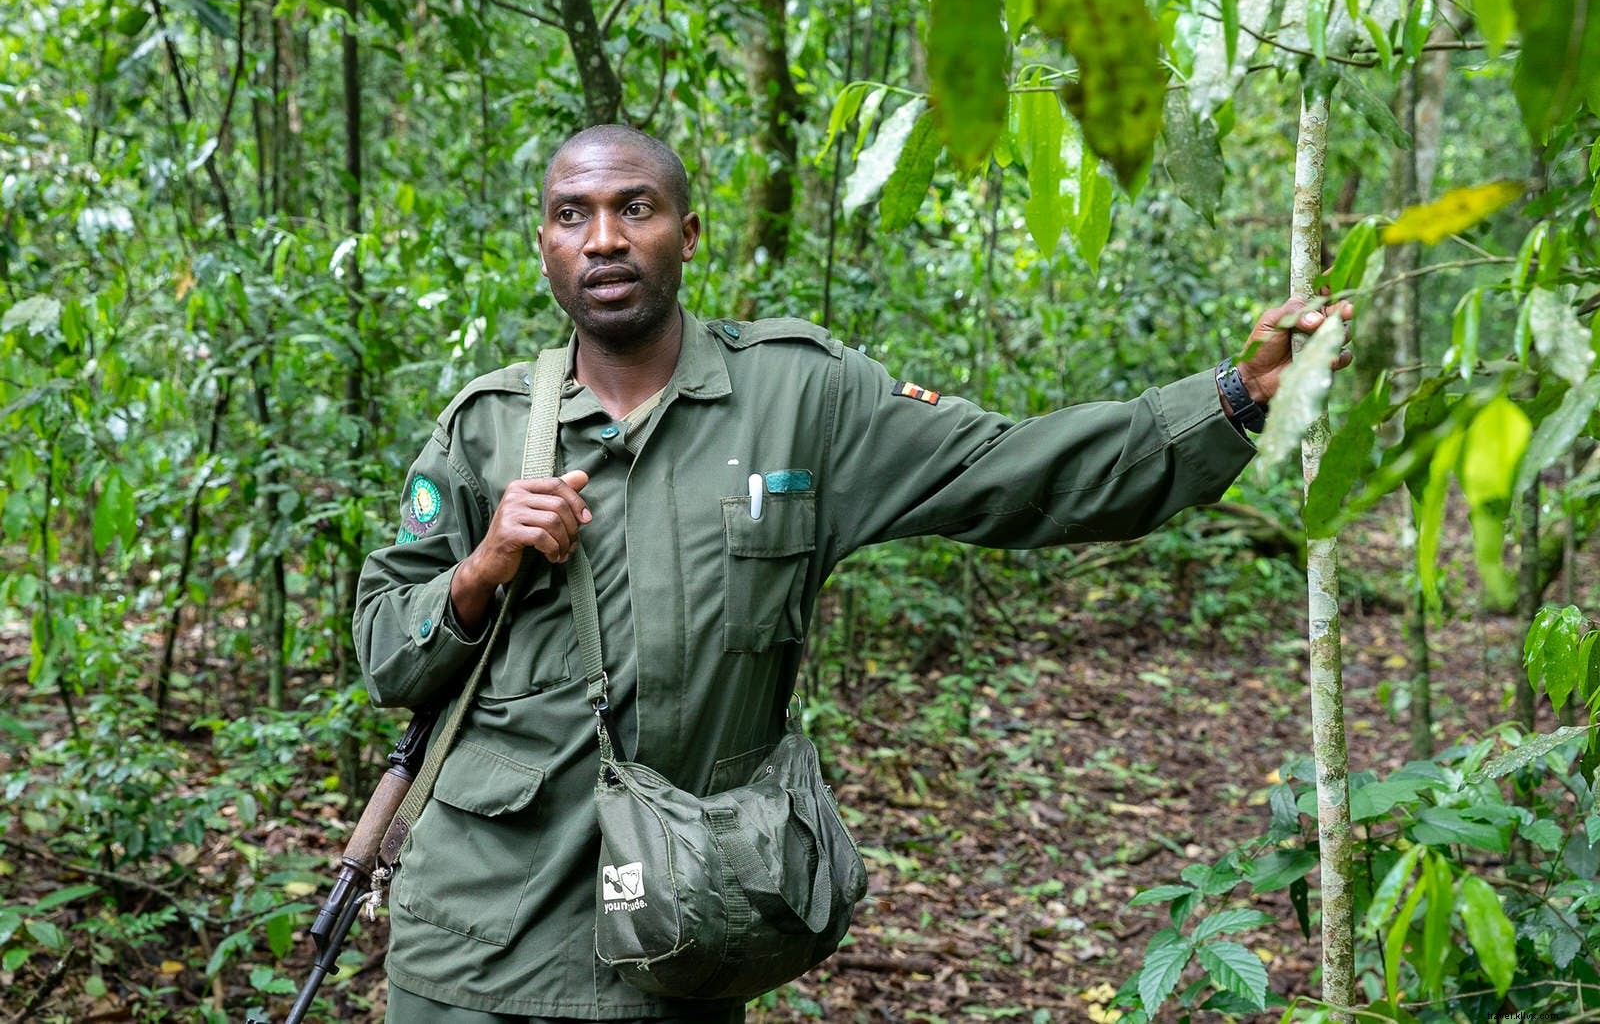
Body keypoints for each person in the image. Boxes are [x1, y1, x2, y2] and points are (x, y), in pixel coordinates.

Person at [354, 124, 1353, 1023]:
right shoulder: (485, 430)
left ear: (689, 234)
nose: (604, 238)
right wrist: (483, 566)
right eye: (574, 216)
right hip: (476, 939)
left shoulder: (800, 396)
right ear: (545, 246)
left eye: (635, 209)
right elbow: (386, 652)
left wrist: (1235, 395)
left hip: (683, 930)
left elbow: (1012, 470)